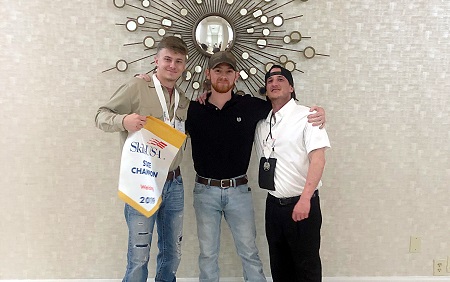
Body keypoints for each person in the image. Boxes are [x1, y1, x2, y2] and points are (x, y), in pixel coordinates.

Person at [185, 52, 326, 282]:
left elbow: (285, 109)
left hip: (239, 191)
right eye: (217, 71)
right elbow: (169, 116)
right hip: (205, 192)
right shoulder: (194, 109)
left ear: (236, 76)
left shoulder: (252, 107)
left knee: (250, 253)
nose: (223, 76)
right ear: (208, 74)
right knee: (208, 255)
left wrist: (319, 113)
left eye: (228, 71)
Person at [95, 36, 190, 282]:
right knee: (139, 255)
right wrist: (123, 121)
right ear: (155, 60)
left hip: (174, 183)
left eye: (178, 61)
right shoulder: (137, 87)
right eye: (167, 59)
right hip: (143, 182)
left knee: (173, 253)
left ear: (184, 66)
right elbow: (101, 115)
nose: (172, 65)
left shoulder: (182, 99)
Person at [254, 65, 331, 282]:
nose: (274, 84)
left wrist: (305, 199)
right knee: (280, 267)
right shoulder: (262, 120)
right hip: (273, 206)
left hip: (302, 204)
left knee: (306, 268)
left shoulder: (308, 116)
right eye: (270, 81)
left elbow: (318, 159)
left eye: (280, 80)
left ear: (291, 87)